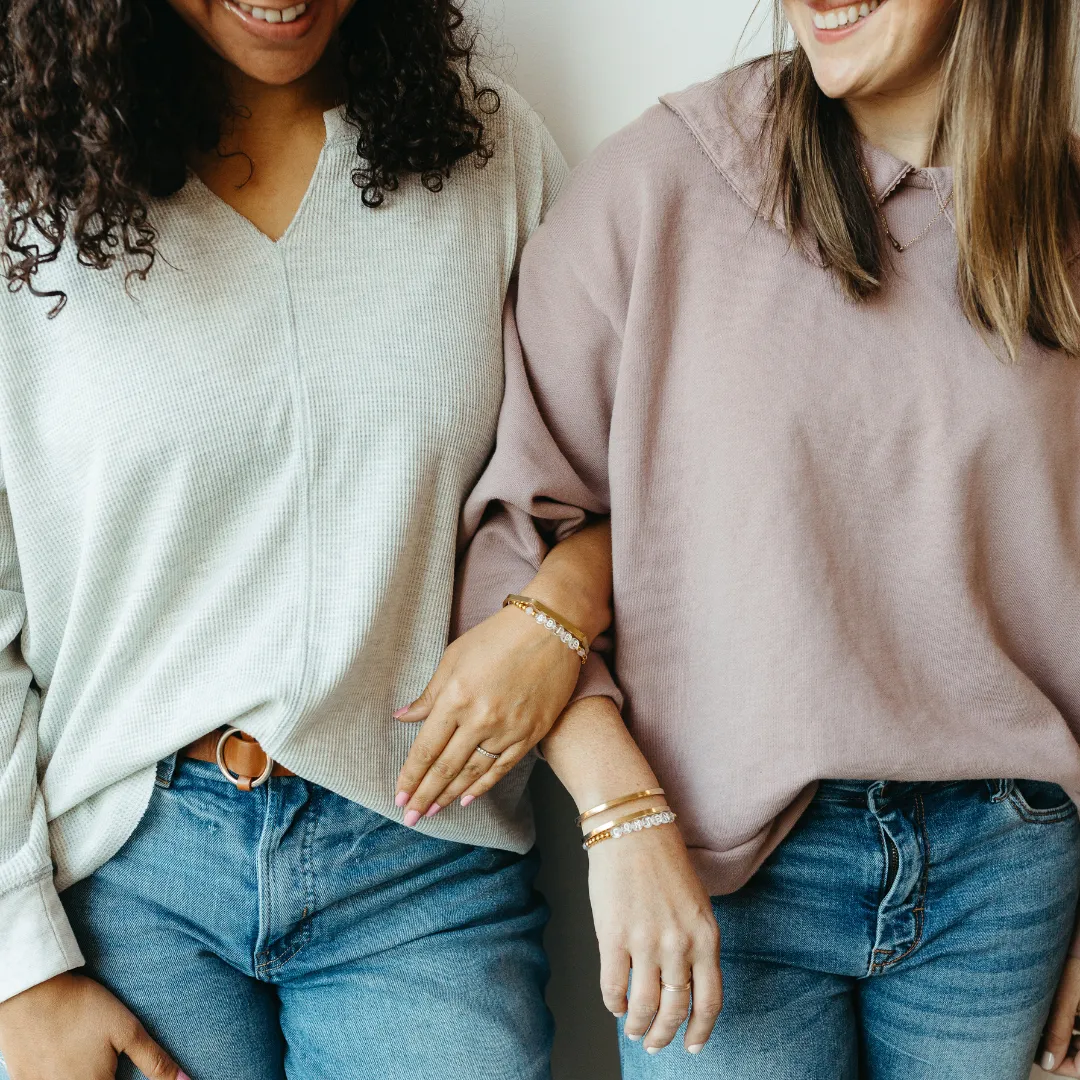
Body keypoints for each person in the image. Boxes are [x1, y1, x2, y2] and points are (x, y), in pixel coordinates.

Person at [406, 0, 1080, 1075]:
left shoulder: (1061, 213)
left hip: (1010, 881)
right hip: (722, 876)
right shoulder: (664, 184)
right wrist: (617, 811)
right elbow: (513, 537)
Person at [0, 1, 615, 1078]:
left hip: (420, 862)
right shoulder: (26, 197)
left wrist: (558, 610)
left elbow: (637, 474)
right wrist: (21, 970)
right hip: (122, 879)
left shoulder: (493, 155)